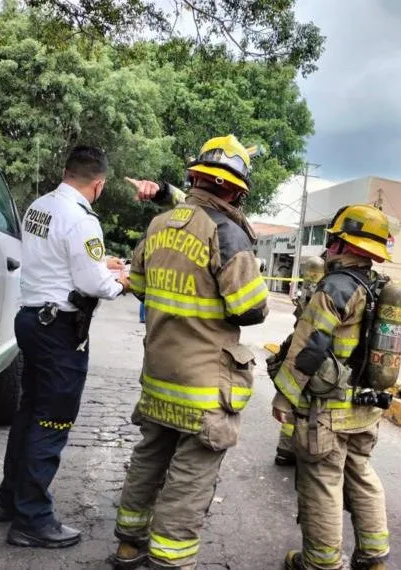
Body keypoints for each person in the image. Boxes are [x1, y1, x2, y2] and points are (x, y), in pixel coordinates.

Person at [110, 135, 269, 570]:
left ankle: (128, 543)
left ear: (195, 177)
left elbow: (138, 287)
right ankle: (170, 560)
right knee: (190, 475)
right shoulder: (229, 234)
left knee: (148, 457)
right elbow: (250, 309)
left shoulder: (160, 225)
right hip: (203, 388)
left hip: (159, 377)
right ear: (236, 190)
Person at [0, 146, 132, 548]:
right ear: (98, 184)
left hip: (33, 319)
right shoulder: (83, 220)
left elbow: (61, 261)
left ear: (66, 171)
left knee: (30, 412)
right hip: (59, 331)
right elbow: (94, 285)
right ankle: (32, 519)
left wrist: (105, 264)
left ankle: (9, 502)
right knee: (52, 422)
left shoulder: (40, 205)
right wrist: (123, 280)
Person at [273, 204, 393, 570]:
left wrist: (285, 394)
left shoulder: (336, 287)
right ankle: (373, 557)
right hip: (365, 406)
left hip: (329, 408)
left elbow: (309, 346)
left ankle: (322, 563)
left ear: (343, 244)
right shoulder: (380, 288)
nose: (329, 248)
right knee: (362, 475)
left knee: (323, 482)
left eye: (333, 241)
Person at [267, 255, 326, 467]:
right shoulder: (332, 282)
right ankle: (301, 450)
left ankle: (285, 449)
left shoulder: (322, 277)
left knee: (296, 398)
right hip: (318, 350)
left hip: (303, 341)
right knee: (306, 401)